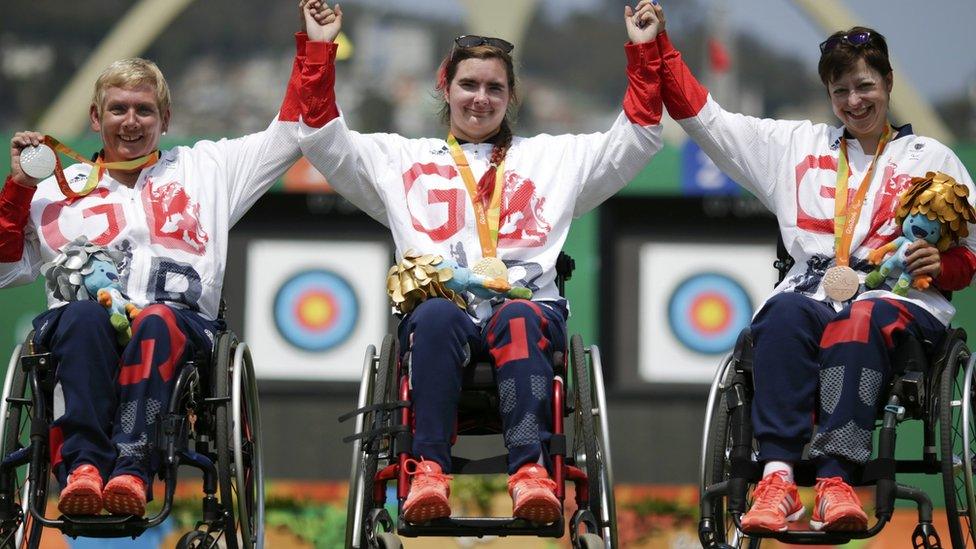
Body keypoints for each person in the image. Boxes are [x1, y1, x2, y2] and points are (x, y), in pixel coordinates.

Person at [298, 1, 665, 524]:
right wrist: (319, 47)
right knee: (434, 315)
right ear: (445, 88)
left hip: (527, 316)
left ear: (512, 97)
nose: (480, 98)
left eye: (495, 88)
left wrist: (645, 51)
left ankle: (531, 473)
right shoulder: (399, 159)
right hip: (441, 320)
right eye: (469, 84)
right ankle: (428, 471)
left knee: (519, 317)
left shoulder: (553, 160)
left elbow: (641, 136)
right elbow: (318, 137)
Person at [645, 0, 976, 533]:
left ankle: (835, 481)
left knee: (859, 319)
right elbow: (704, 117)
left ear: (889, 82)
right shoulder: (795, 146)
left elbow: (968, 261)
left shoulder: (931, 158)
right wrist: (655, 46)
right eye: (840, 91)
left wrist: (939, 263)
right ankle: (776, 480)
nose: (853, 101)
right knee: (779, 315)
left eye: (865, 86)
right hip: (814, 290)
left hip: (900, 303)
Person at [0, 6, 314, 517]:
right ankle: (82, 469)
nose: (131, 121)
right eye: (118, 109)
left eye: (144, 110)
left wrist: (315, 45)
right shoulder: (53, 192)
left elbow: (293, 130)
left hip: (178, 328)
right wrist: (17, 189)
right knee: (81, 316)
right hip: (82, 328)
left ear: (165, 119)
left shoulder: (207, 168)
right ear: (95, 119)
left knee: (156, 319)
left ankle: (129, 469)